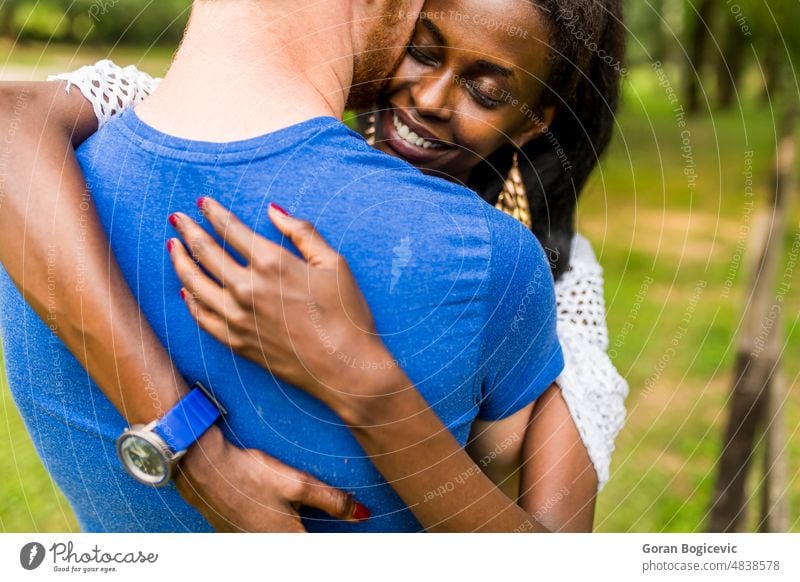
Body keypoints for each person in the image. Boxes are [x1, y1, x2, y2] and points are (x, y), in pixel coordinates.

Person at [0, 0, 568, 532]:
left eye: (487, 90)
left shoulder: (36, 204)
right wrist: (194, 447)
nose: (428, 99)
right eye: (421, 45)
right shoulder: (490, 265)